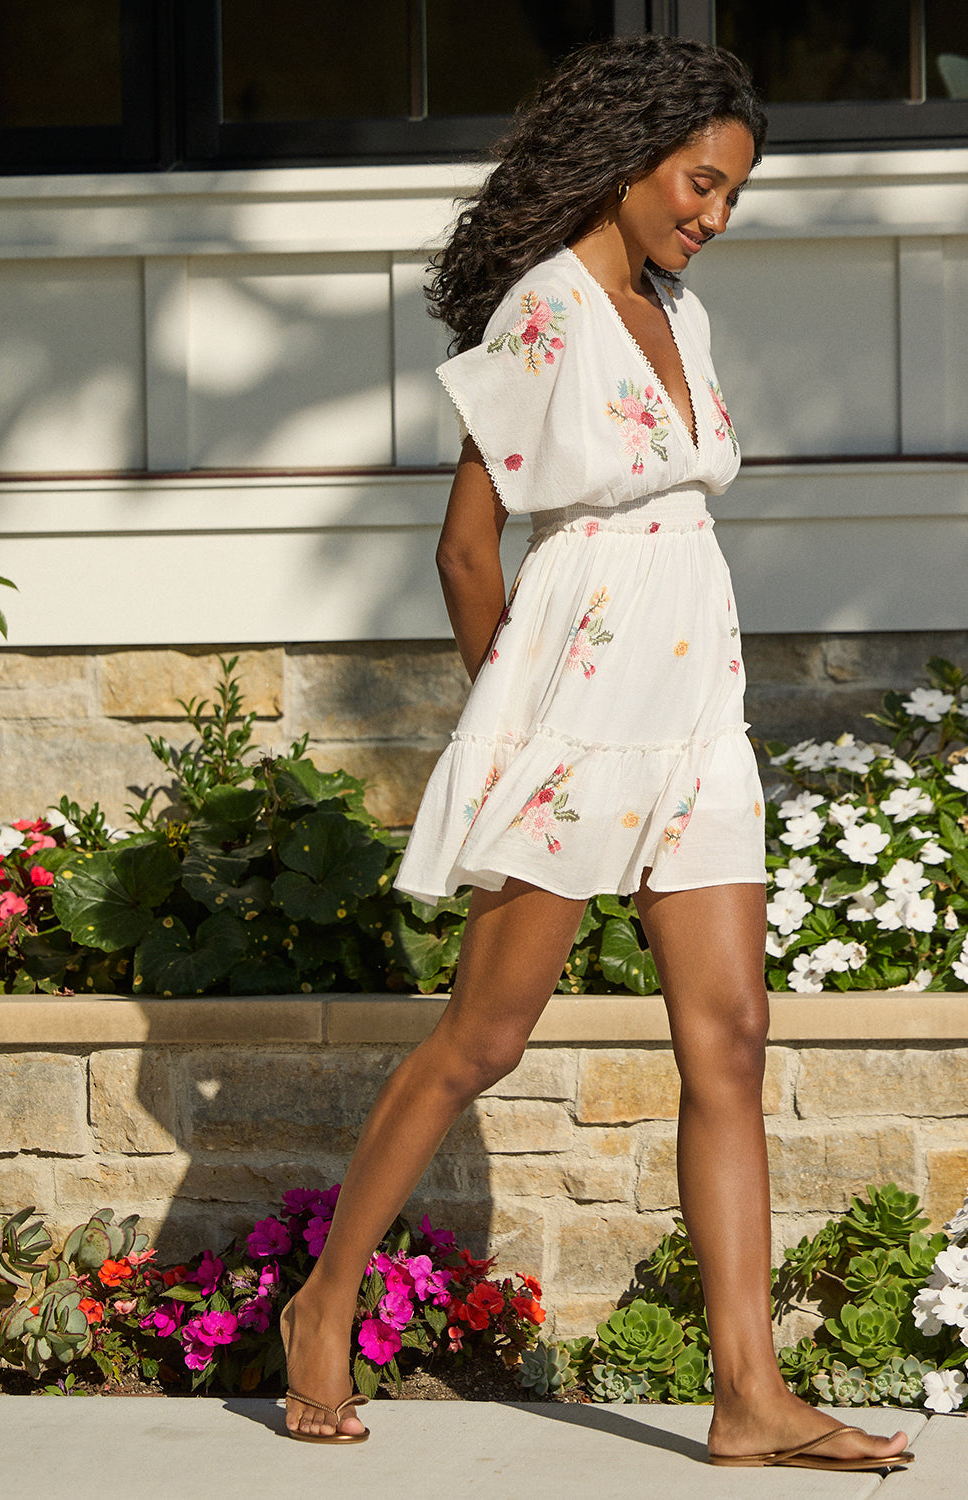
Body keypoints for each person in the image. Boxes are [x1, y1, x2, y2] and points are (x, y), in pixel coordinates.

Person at [280, 35, 912, 1471]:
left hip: (695, 706)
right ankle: (323, 1303)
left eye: (732, 194)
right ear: (627, 159)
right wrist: (518, 716)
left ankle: (748, 1394)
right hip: (578, 697)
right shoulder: (545, 311)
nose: (713, 214)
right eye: (700, 183)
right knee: (485, 1039)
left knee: (731, 1041)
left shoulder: (676, 313)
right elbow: (463, 549)